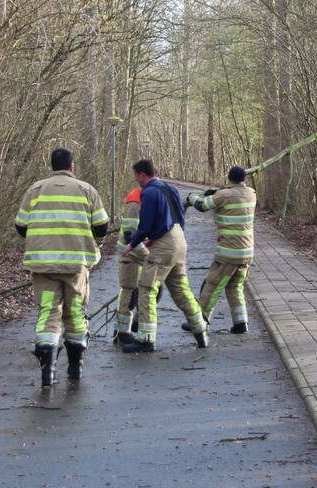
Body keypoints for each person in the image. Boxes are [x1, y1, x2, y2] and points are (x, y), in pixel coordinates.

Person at [14, 148, 109, 387]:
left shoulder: (35, 190)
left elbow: (21, 226)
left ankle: (49, 371)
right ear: (72, 166)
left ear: (52, 166)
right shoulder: (87, 190)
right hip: (76, 266)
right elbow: (101, 227)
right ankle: (75, 366)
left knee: (49, 311)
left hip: (43, 266)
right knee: (75, 311)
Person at [120, 159, 208, 353]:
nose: (136, 180)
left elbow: (145, 225)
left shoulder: (149, 192)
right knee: (181, 290)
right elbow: (180, 218)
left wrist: (132, 244)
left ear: (142, 174)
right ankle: (201, 332)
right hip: (179, 240)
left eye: (136, 176)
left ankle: (146, 339)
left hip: (164, 245)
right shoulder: (171, 189)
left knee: (146, 288)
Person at [184, 165, 257, 334]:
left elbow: (202, 205)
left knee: (213, 285)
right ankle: (241, 323)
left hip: (228, 252)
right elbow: (234, 196)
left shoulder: (224, 195)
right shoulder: (251, 193)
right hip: (247, 253)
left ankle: (199, 320)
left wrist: (192, 196)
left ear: (229, 178)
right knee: (234, 286)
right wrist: (218, 192)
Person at [113, 185, 147, 344]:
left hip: (139, 252)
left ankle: (129, 326)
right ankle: (122, 333)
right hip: (131, 253)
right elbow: (129, 236)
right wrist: (148, 255)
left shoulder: (148, 197)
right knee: (128, 292)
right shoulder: (135, 202)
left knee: (141, 291)